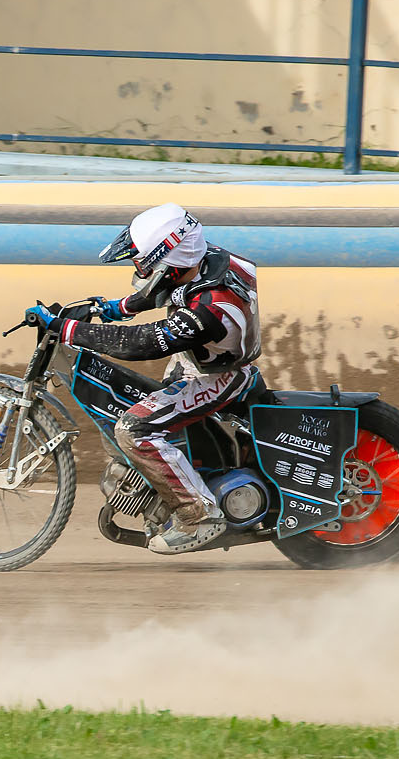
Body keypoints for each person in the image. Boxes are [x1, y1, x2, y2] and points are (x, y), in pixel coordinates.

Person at [29, 202, 259, 555]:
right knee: (140, 403)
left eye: (142, 262)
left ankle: (199, 514)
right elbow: (165, 289)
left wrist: (70, 330)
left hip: (217, 378)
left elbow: (143, 344)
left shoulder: (210, 308)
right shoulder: (205, 259)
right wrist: (110, 309)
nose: (138, 267)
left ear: (168, 264)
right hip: (202, 361)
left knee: (134, 429)